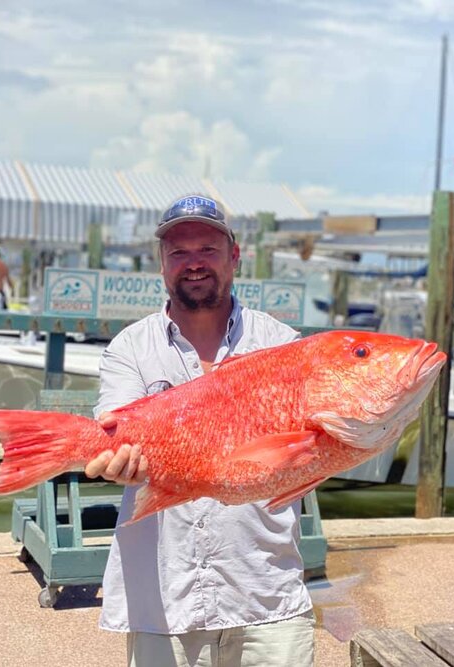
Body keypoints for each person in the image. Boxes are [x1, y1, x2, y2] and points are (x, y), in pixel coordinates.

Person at [85, 194, 314, 667]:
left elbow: (308, 446)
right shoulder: (131, 347)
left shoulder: (281, 344)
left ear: (234, 255)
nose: (193, 264)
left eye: (207, 249)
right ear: (161, 264)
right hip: (164, 598)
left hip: (266, 594)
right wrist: (117, 463)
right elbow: (114, 430)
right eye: (178, 252)